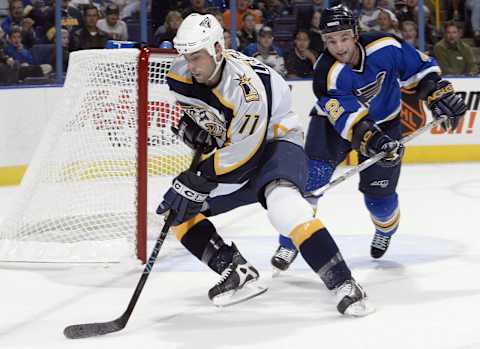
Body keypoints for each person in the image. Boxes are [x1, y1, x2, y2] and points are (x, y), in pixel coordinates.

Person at [159, 13, 373, 316]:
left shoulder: (247, 89)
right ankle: (235, 270)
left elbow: (241, 154)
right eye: (186, 57)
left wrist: (198, 179)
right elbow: (209, 121)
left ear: (218, 50)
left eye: (197, 57)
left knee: (284, 206)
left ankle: (345, 284)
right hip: (237, 151)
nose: (190, 66)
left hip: (277, 145)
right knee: (177, 213)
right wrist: (198, 129)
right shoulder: (180, 74)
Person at [270, 5, 467, 270]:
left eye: (344, 38)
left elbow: (420, 70)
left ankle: (384, 230)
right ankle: (288, 240)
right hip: (330, 125)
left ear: (355, 34)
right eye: (330, 41)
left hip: (385, 123)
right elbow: (349, 120)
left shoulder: (386, 45)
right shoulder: (326, 73)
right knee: (311, 180)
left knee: (380, 200)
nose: (339, 47)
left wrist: (438, 93)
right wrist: (373, 140)